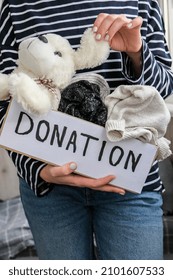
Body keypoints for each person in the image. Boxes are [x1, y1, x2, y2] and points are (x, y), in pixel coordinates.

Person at [0, 0, 173, 260]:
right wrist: (38, 171)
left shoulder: (142, 3)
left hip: (130, 181)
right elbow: (5, 97)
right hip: (51, 188)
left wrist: (137, 53)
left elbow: (162, 91)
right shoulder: (16, 6)